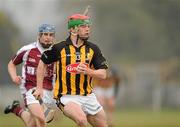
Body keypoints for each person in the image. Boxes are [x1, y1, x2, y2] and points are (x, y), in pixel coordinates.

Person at [33, 14, 109, 127]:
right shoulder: (59, 48)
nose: (87, 29)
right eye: (83, 26)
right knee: (82, 120)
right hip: (66, 96)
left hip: (88, 96)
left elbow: (103, 74)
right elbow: (42, 62)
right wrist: (39, 88)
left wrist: (88, 71)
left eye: (88, 26)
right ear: (73, 29)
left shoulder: (93, 49)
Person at [4, 24, 56, 127]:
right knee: (42, 119)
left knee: (32, 124)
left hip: (48, 91)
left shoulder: (56, 52)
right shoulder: (28, 49)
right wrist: (14, 77)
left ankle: (16, 109)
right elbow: (11, 64)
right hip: (30, 89)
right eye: (45, 34)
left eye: (51, 35)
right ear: (39, 35)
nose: (48, 37)